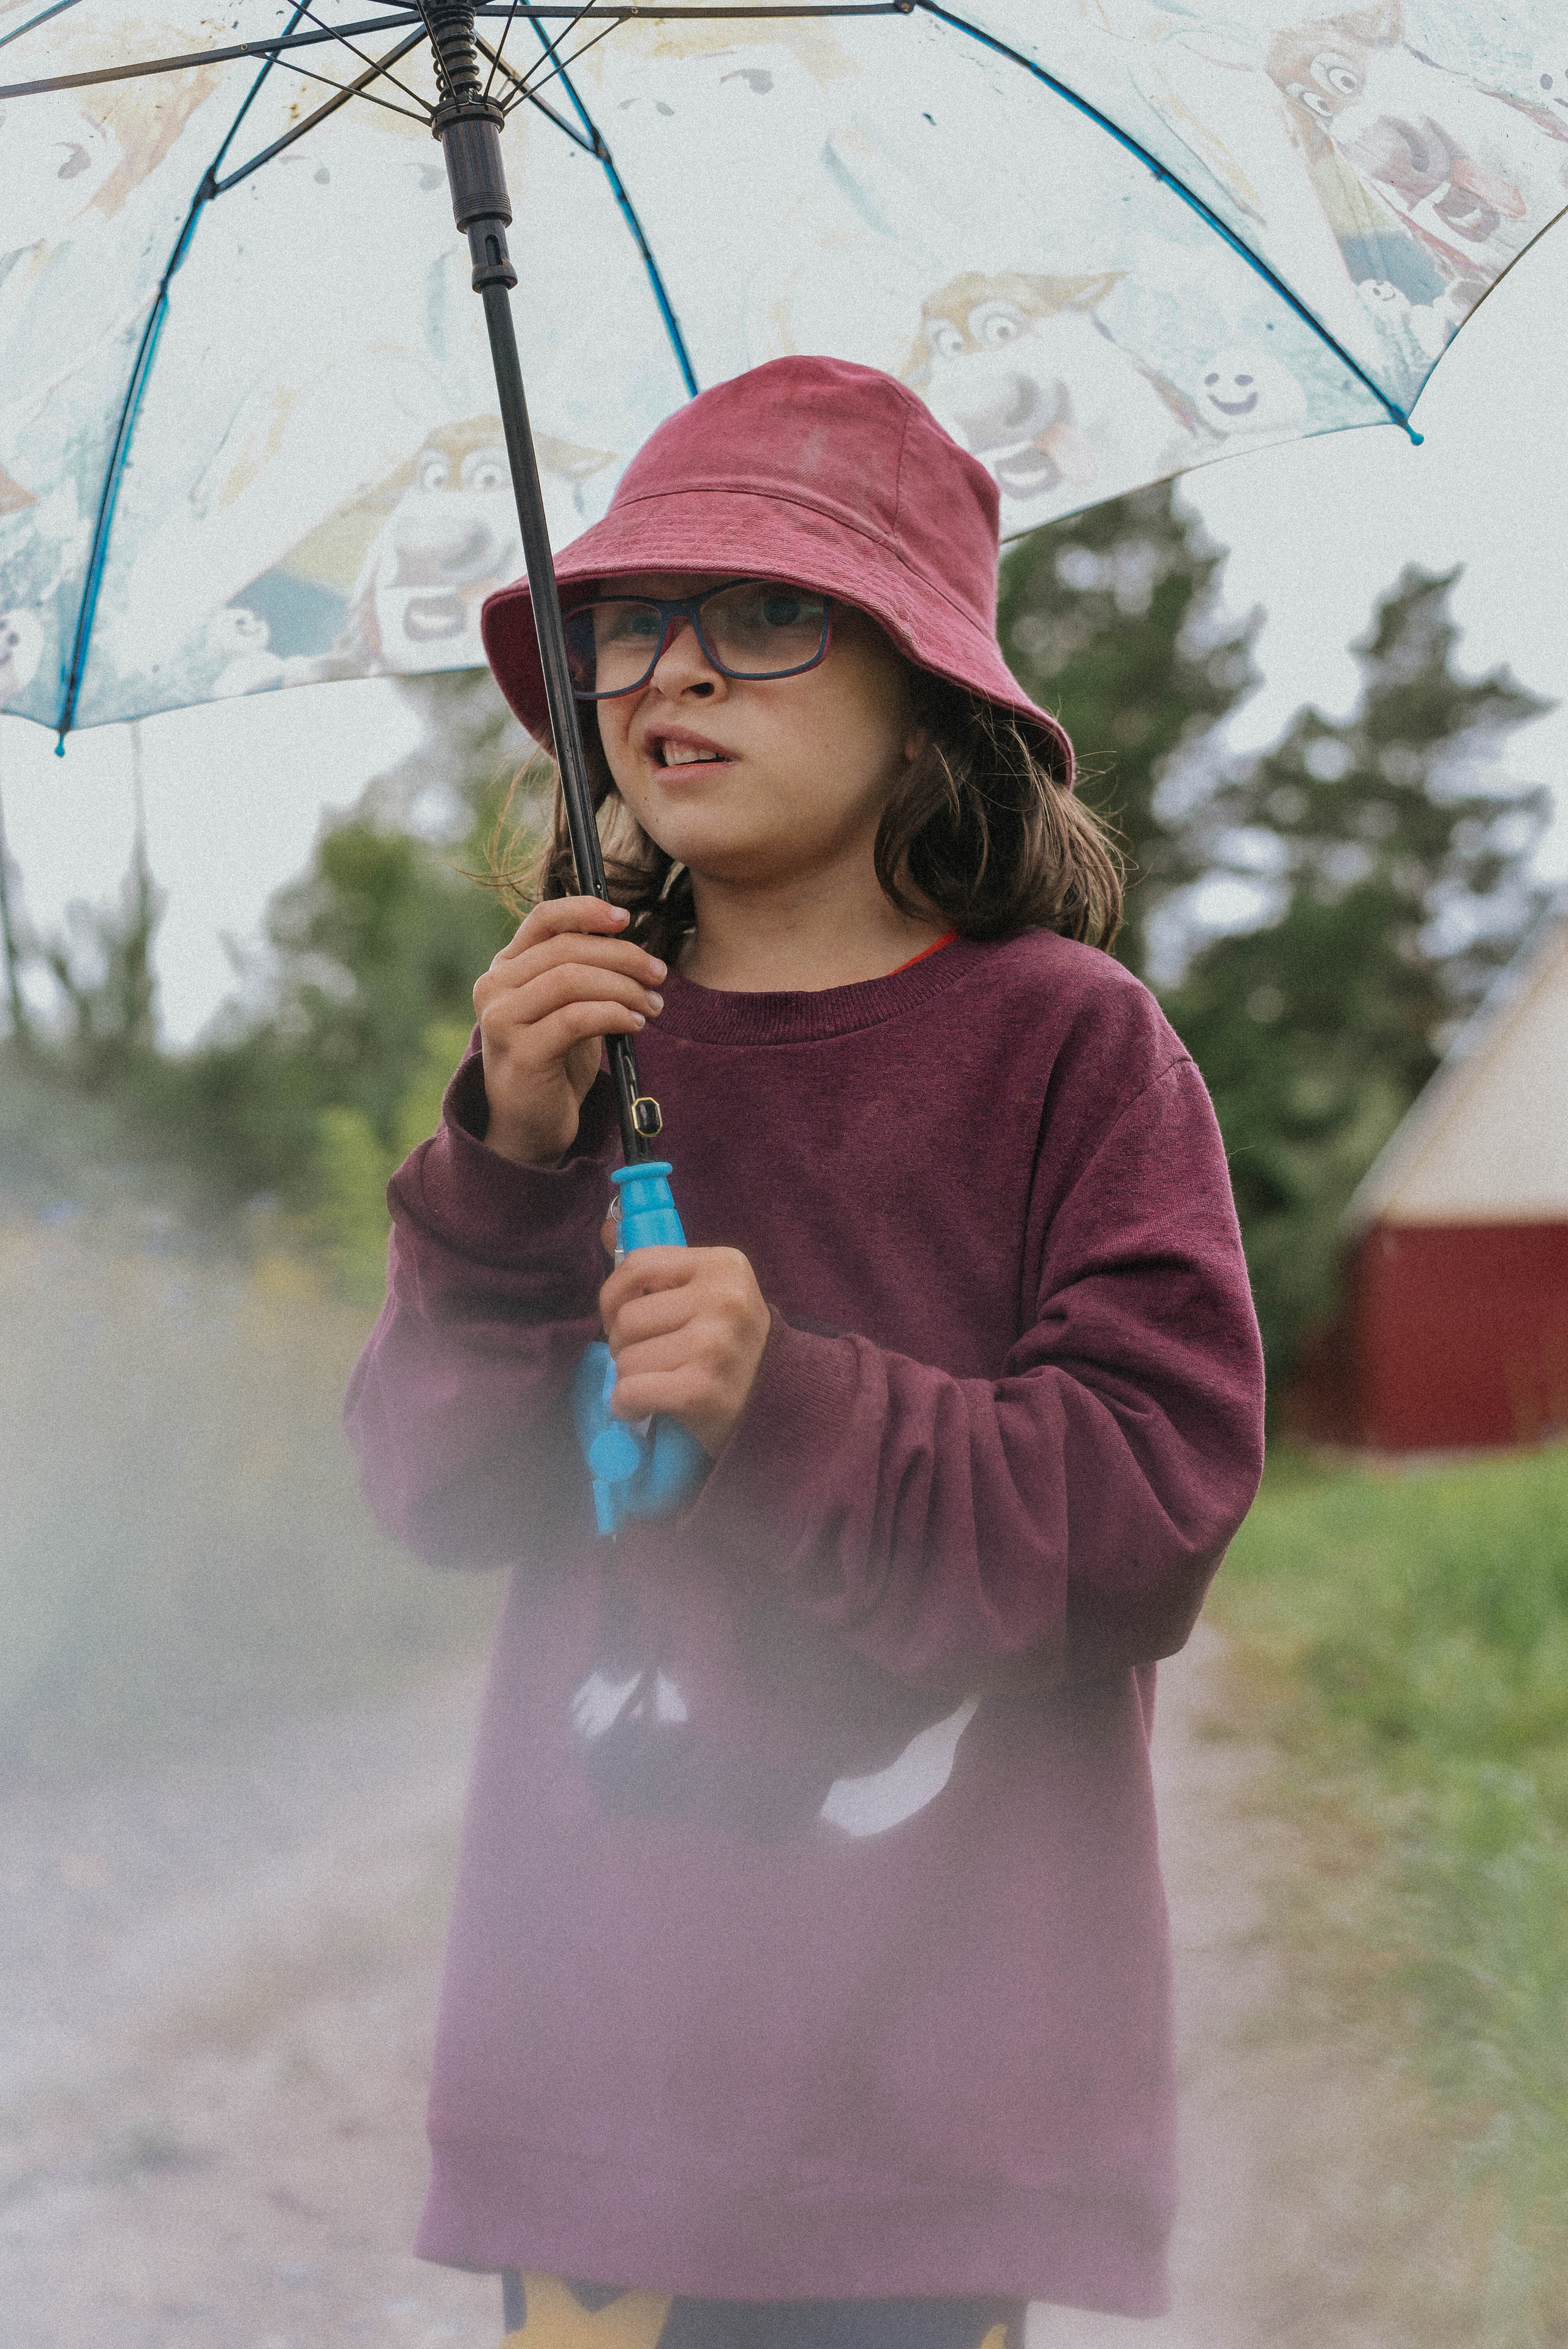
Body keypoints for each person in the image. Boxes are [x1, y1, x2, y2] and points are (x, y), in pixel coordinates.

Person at [345, 355, 1265, 2349]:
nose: (672, 672)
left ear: (925, 679)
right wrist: (504, 1165)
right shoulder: (574, 1055)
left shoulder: (1072, 1049)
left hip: (922, 2107)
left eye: (762, 615)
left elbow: (1149, 1513)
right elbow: (430, 1489)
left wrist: (791, 1402)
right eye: (622, 624)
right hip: (609, 2083)